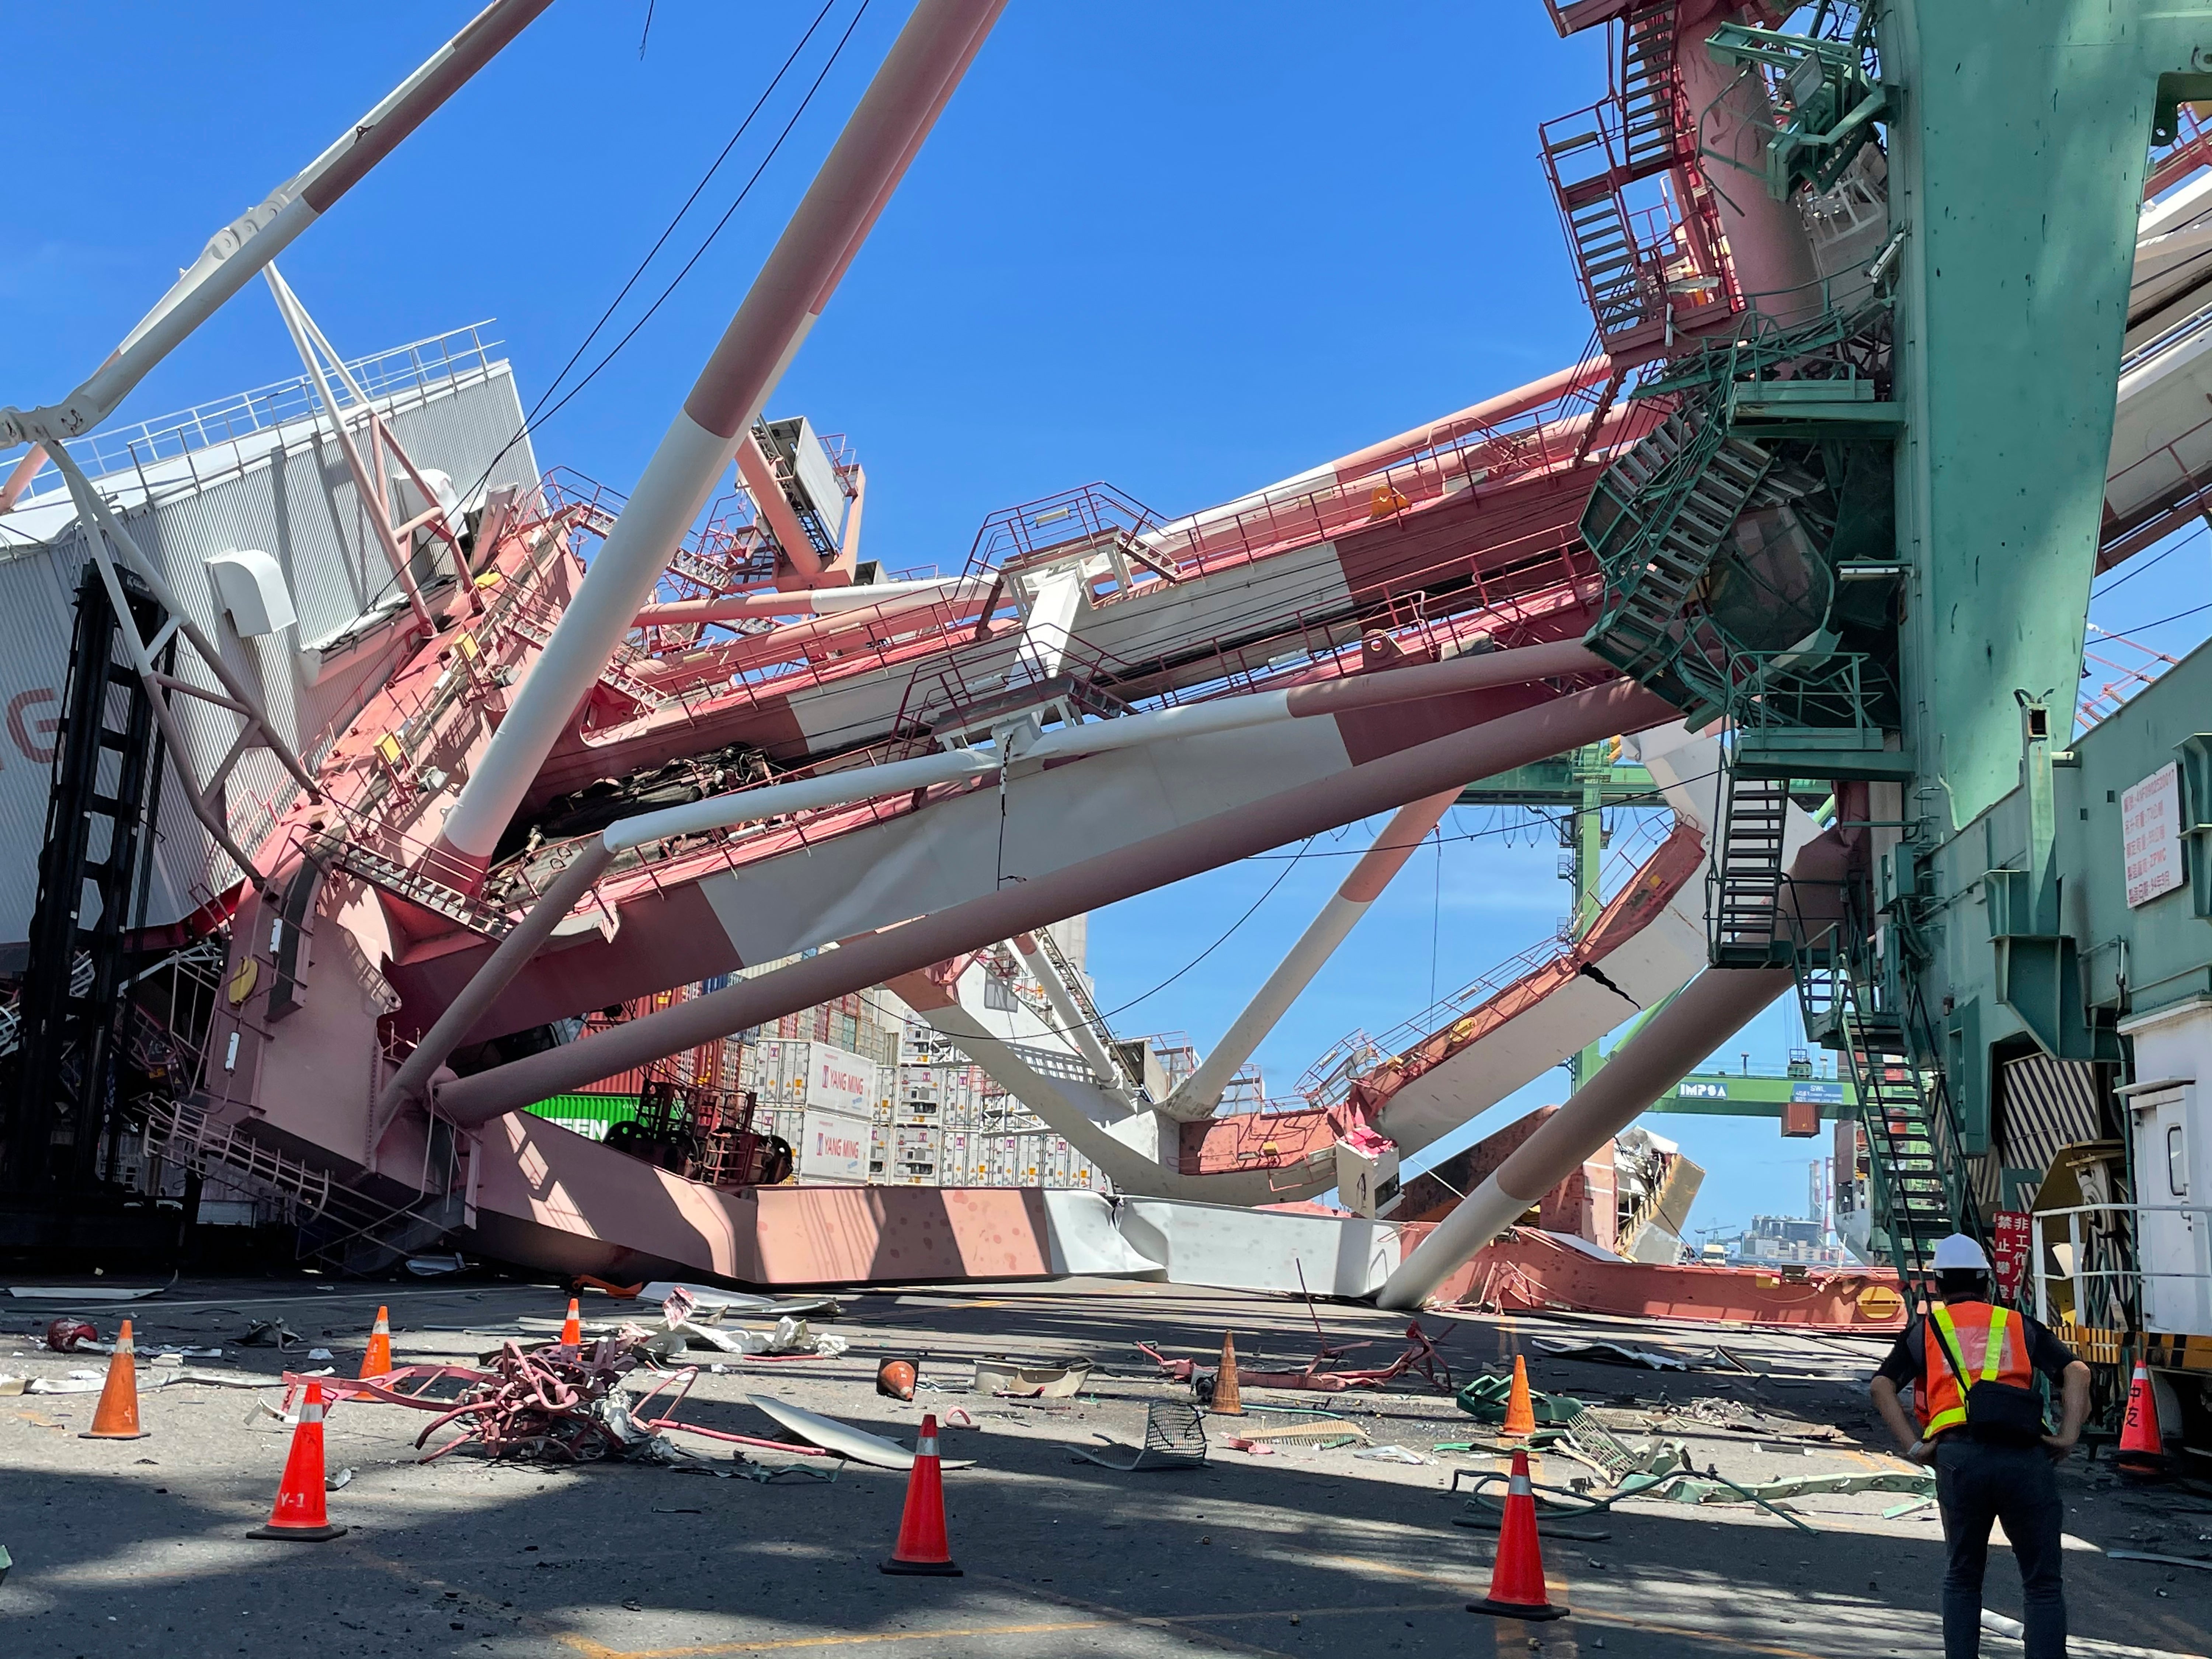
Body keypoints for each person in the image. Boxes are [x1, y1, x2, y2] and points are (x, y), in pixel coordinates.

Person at [1869, 1233, 2092, 1659]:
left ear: (1937, 1285)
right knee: (2042, 1583)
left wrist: (1915, 1448)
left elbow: (1882, 1386)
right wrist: (2067, 1435)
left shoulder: (1927, 1331)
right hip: (2024, 1457)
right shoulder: (2018, 1325)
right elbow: (2076, 1372)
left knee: (1963, 1576)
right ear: (1988, 1284)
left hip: (1960, 1458)